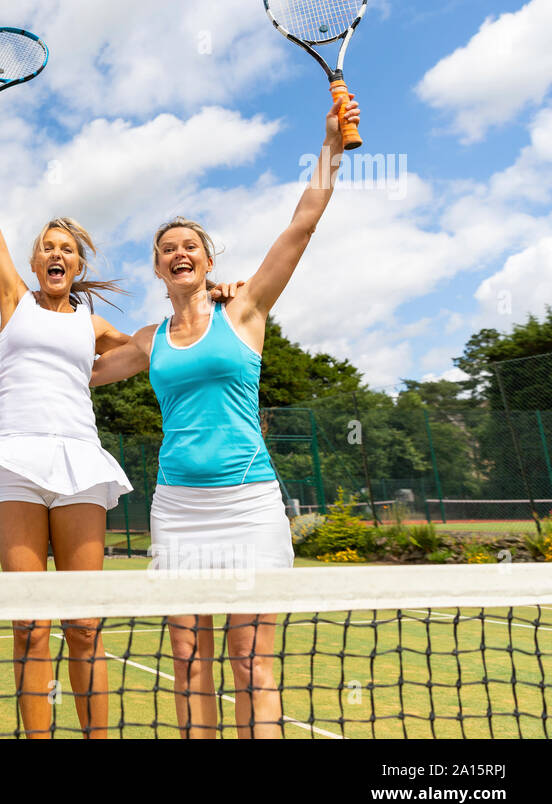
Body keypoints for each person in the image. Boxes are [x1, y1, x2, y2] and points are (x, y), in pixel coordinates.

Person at [91, 94, 362, 738]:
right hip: (178, 508)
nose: (178, 253)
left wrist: (329, 148)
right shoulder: (147, 339)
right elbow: (84, 373)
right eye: (166, 249)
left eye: (190, 246)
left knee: (252, 666)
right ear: (158, 269)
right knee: (187, 665)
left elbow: (301, 226)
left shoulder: (244, 312)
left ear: (209, 262)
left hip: (249, 505)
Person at [0, 106, 132, 738]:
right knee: (29, 625)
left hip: (80, 462)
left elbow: (152, 349)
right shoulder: (15, 301)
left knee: (85, 625)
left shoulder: (93, 325)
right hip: (15, 462)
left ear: (77, 266)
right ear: (35, 263)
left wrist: (207, 301)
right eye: (47, 248)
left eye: (67, 250)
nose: (56, 254)